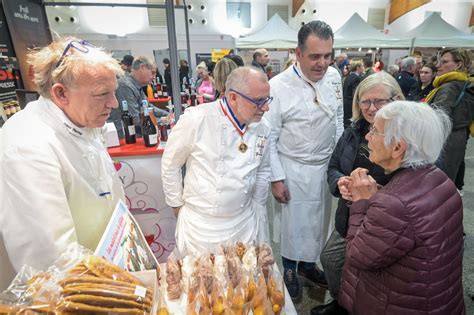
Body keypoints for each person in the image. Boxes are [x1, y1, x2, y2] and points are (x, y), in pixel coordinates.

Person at [0, 38, 125, 285]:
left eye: (114, 92)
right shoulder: (28, 146)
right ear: (61, 93)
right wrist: (123, 288)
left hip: (104, 267)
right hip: (73, 291)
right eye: (102, 94)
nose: (114, 103)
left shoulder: (81, 119)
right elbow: (50, 257)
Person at [339, 101, 465, 315]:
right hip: (436, 300)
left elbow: (358, 255)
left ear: (398, 147)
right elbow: (410, 222)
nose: (368, 137)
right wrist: (376, 195)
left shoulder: (394, 204)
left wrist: (361, 202)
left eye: (375, 131)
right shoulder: (439, 179)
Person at [311, 72, 404, 315]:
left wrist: (376, 194)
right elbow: (332, 167)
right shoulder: (353, 130)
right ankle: (342, 302)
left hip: (384, 221)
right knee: (331, 260)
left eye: (379, 101)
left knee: (369, 270)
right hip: (349, 214)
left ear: (395, 100)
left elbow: (412, 182)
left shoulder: (405, 134)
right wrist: (340, 181)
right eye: (365, 101)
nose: (372, 108)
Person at [266, 20, 343, 299]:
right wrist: (276, 177)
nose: (322, 63)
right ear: (297, 54)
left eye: (327, 55)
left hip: (324, 166)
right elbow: (269, 137)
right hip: (292, 167)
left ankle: (308, 266)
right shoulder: (277, 86)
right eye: (315, 56)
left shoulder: (334, 76)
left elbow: (337, 119)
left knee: (318, 223)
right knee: (292, 223)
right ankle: (288, 267)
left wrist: (339, 161)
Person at [161, 67, 273, 255]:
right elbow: (170, 164)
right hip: (201, 226)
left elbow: (263, 169)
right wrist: (177, 207)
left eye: (267, 100)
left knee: (243, 279)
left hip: (244, 221)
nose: (266, 108)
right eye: (259, 102)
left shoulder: (263, 127)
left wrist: (259, 207)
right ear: (233, 97)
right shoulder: (197, 118)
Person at [425, 49, 474, 191]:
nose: (438, 65)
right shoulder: (464, 84)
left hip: (443, 141)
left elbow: (438, 118)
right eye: (439, 62)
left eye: (444, 62)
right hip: (457, 139)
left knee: (435, 186)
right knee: (445, 184)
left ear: (458, 65)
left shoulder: (449, 86)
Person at [110, 56, 168, 137]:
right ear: (142, 67)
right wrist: (162, 120)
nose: (154, 76)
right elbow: (135, 119)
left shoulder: (137, 86)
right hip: (126, 138)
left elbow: (149, 107)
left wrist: (168, 114)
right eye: (153, 72)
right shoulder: (125, 86)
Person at [342, 59, 365, 128]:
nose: (364, 68)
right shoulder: (356, 78)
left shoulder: (348, 77)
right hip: (351, 104)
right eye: (362, 66)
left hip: (345, 103)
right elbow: (355, 94)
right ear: (358, 67)